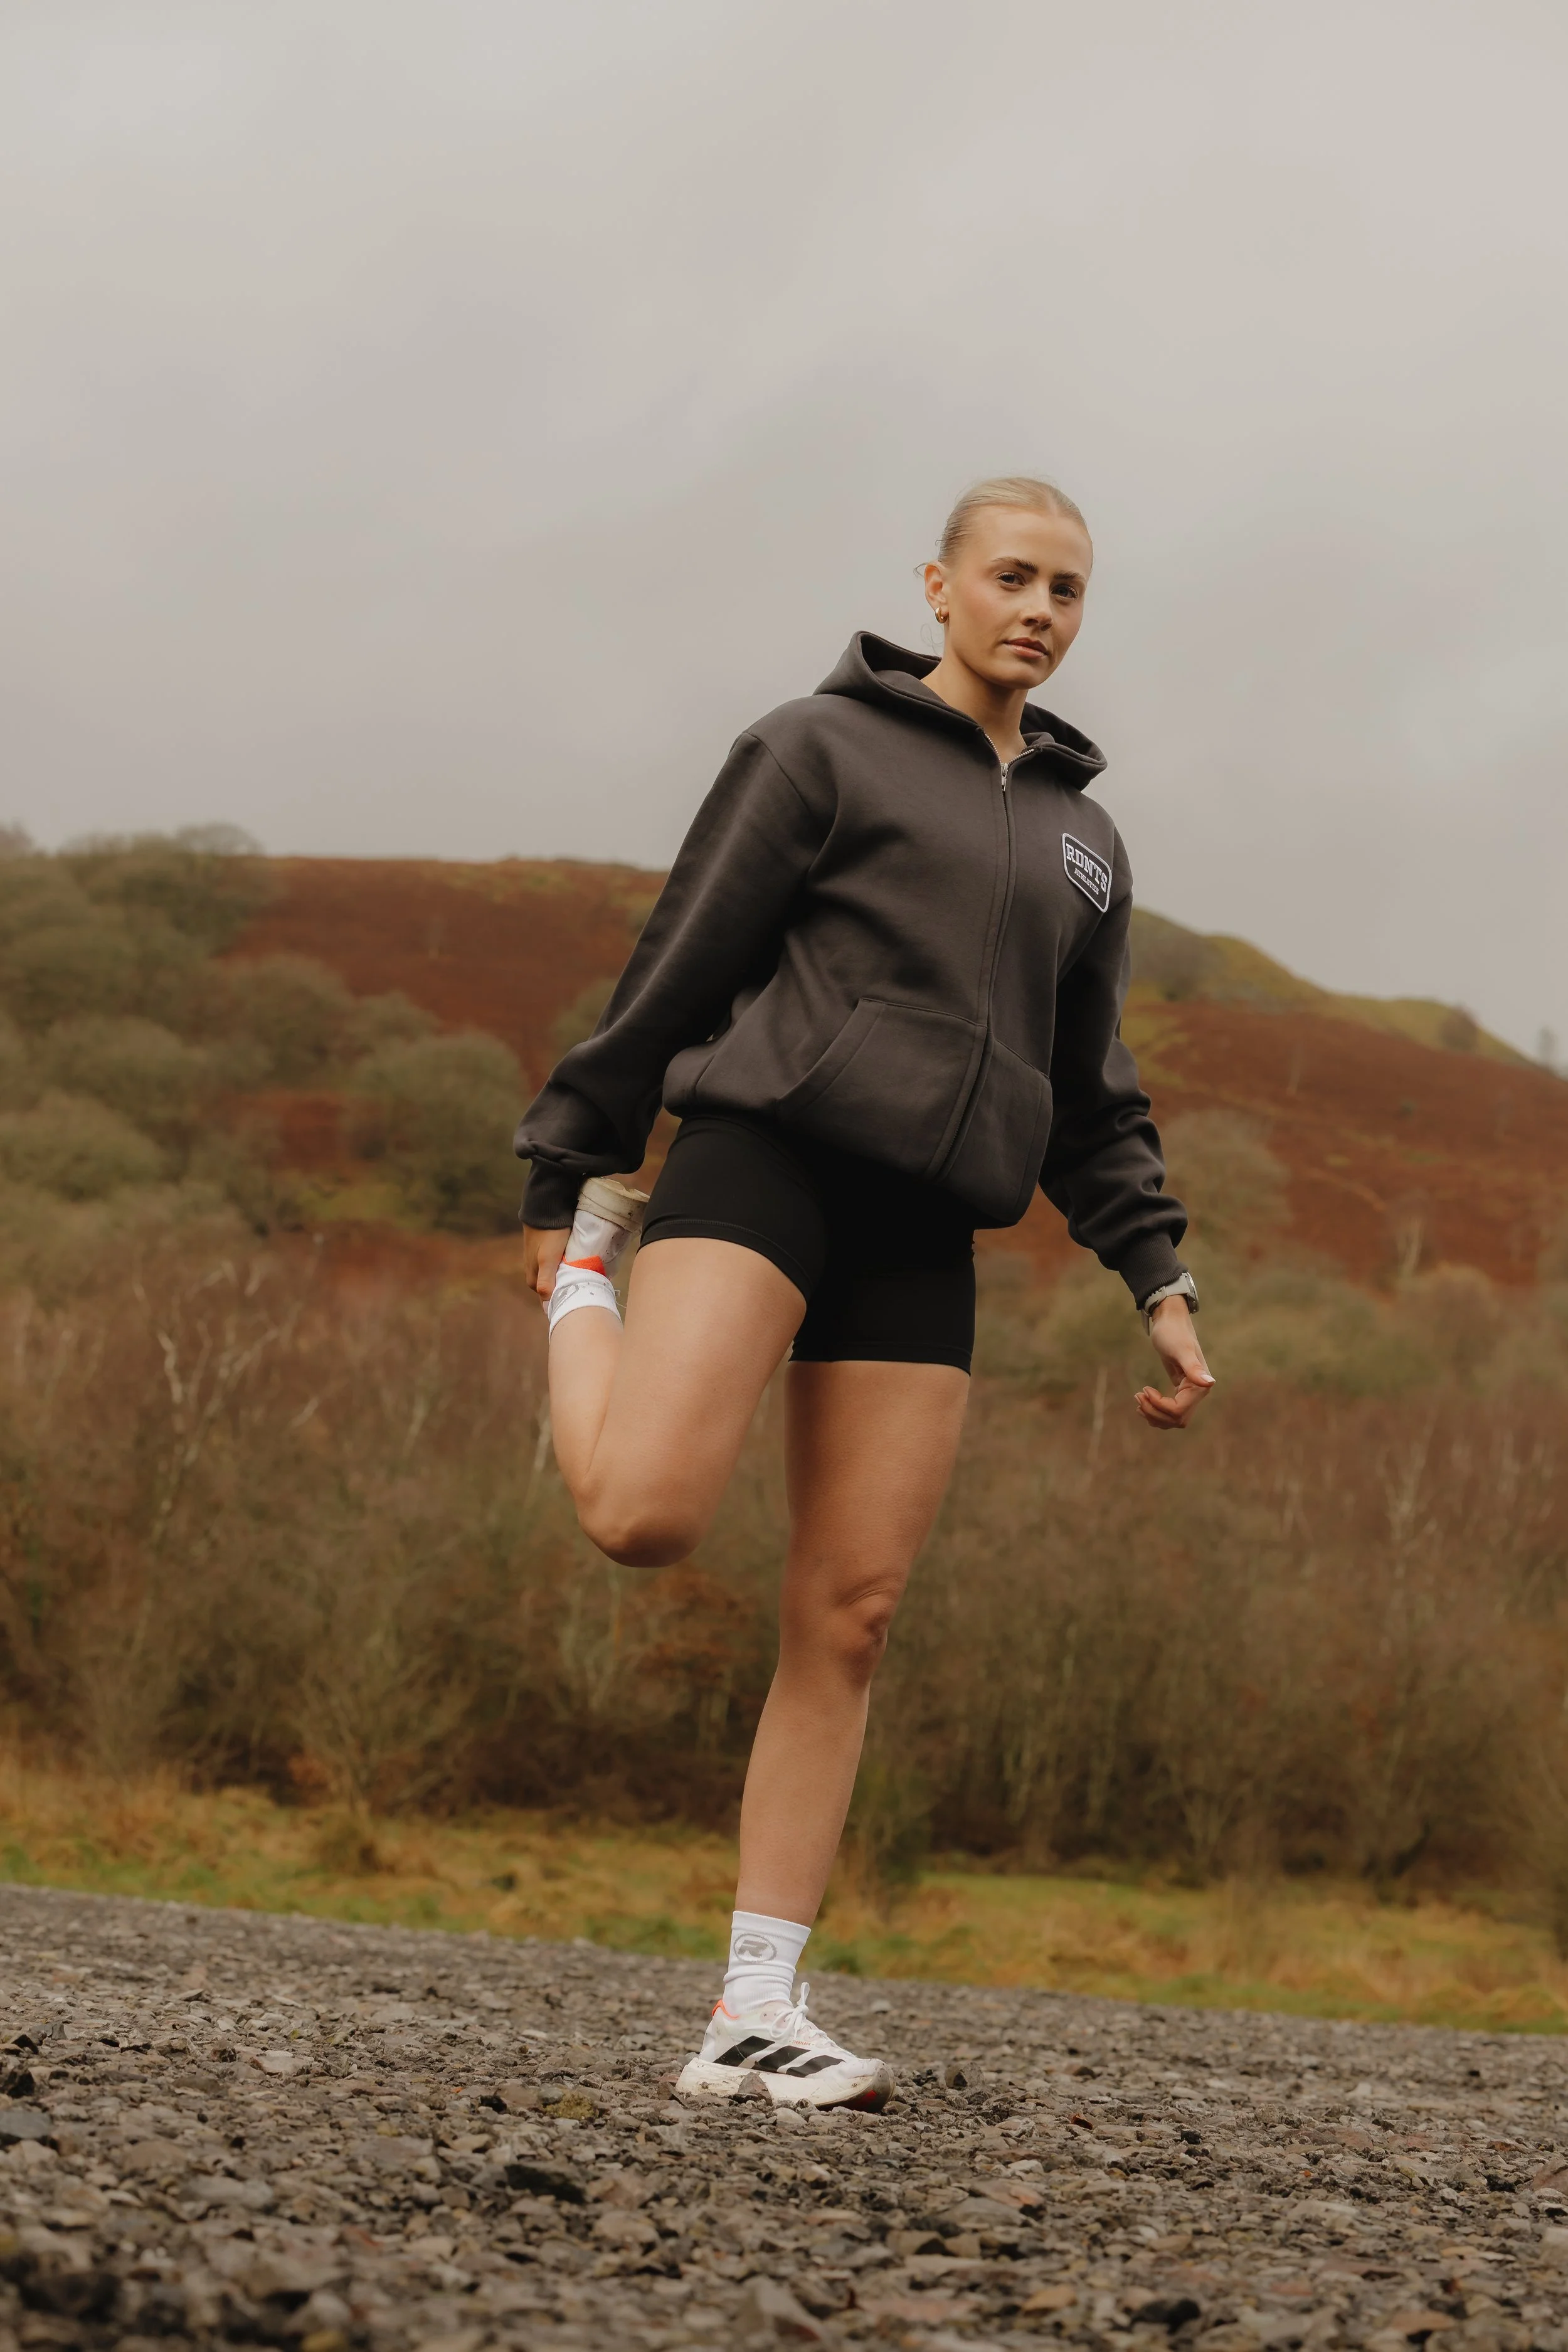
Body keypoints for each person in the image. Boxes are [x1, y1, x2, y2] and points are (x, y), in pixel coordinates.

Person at [516, 475, 1214, 2111]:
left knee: (851, 1612)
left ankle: (755, 2001)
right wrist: (571, 1163)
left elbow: (1088, 1086)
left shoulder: (1083, 842)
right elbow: (678, 959)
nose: (1039, 609)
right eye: (1012, 577)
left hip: (927, 1229)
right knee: (644, 1516)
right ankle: (578, 1289)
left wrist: (1154, 1272)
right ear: (940, 584)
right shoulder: (813, 750)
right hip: (768, 1164)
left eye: (1068, 590)